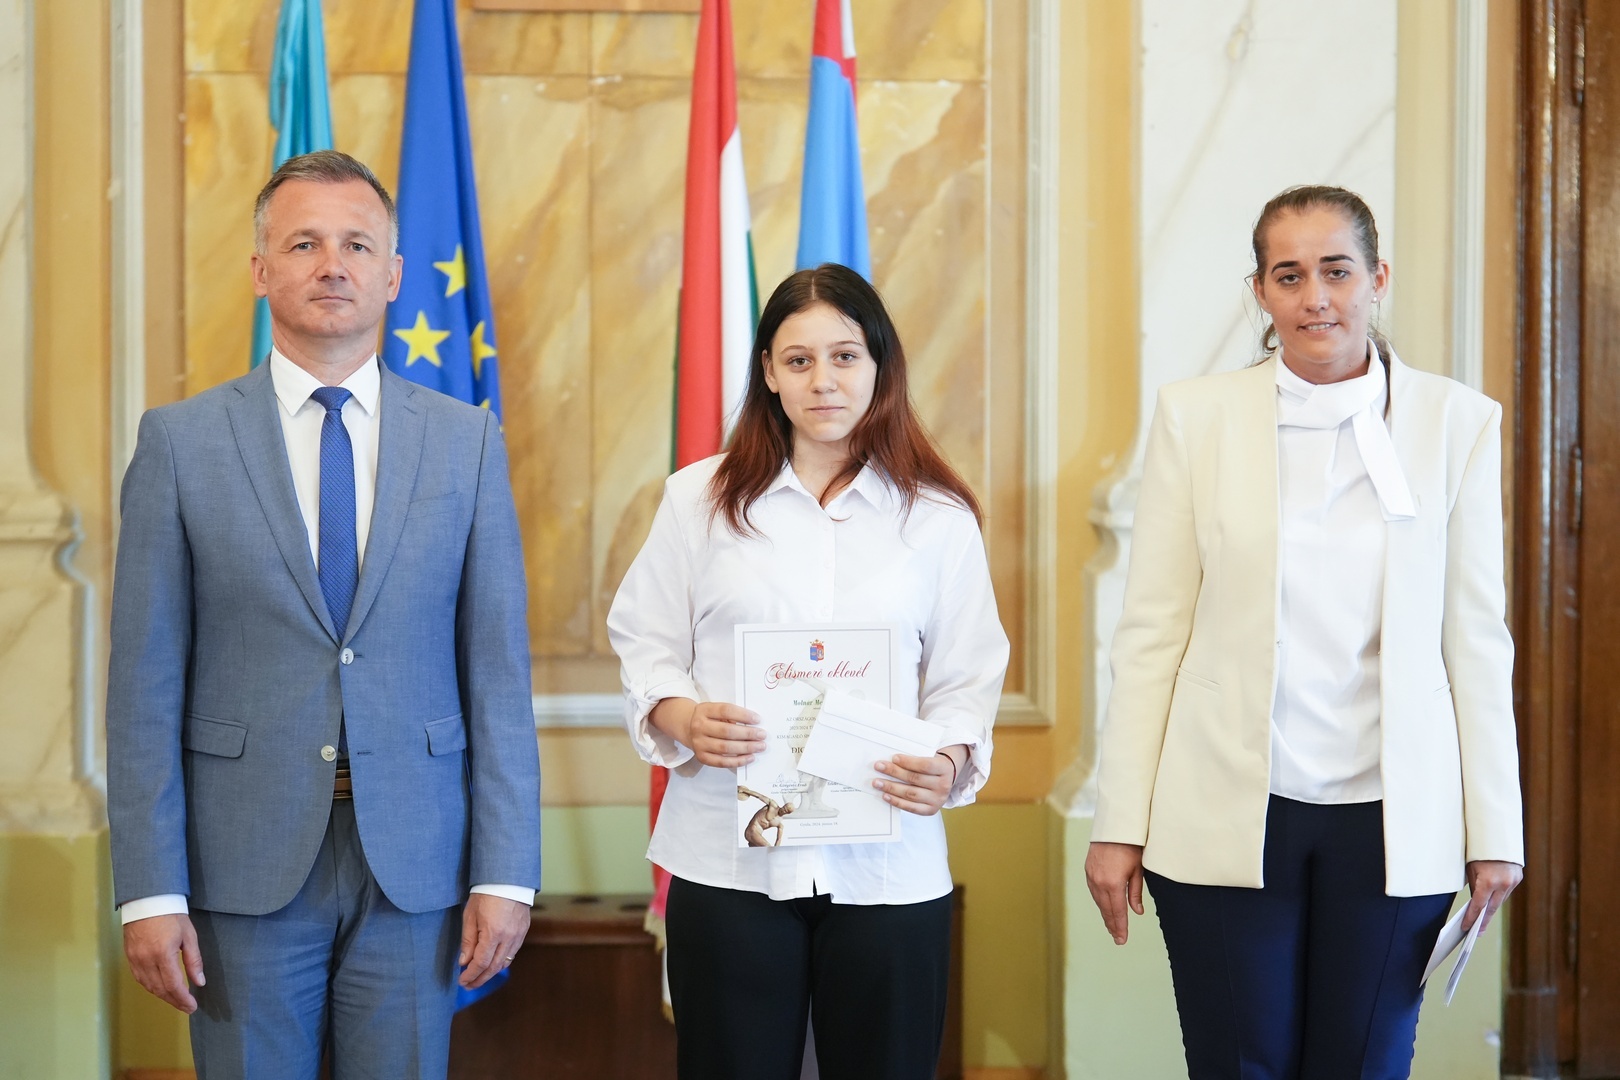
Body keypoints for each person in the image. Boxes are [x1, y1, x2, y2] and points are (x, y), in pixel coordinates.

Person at [106, 150, 541, 1080]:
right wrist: (149, 890)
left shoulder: (464, 442)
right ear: (261, 269)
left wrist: (506, 872)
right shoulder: (180, 444)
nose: (332, 265)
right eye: (303, 243)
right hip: (240, 863)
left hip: (416, 864)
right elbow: (143, 687)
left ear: (393, 274)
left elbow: (498, 675)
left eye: (356, 245)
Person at [1084, 185, 1524, 1079]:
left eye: (1337, 271)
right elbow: (1151, 634)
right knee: (1239, 1063)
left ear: (1378, 278)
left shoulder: (1458, 424)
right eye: (1289, 276)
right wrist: (1118, 821)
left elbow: (1478, 640)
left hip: (1394, 815)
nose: (1315, 297)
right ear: (1260, 292)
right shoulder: (1196, 417)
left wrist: (1496, 830)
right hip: (1225, 803)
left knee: (1364, 1062)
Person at [607, 264, 1009, 1080]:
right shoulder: (698, 500)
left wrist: (949, 759)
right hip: (727, 859)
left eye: (844, 356)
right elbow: (645, 640)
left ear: (880, 365)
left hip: (888, 865)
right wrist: (684, 717)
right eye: (799, 360)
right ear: (768, 372)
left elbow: (967, 675)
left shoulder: (938, 519)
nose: (823, 380)